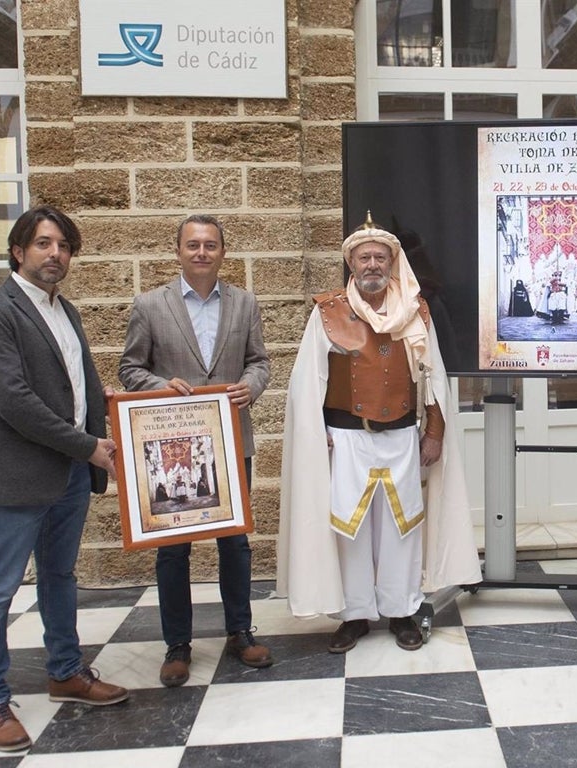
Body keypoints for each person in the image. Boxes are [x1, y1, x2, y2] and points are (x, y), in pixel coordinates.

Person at [276, 213, 481, 652]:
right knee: (350, 530)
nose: (372, 264)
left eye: (380, 257)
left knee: (401, 526)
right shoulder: (328, 312)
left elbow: (435, 377)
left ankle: (402, 610)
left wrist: (436, 432)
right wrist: (316, 434)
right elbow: (306, 382)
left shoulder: (415, 310)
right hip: (347, 437)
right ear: (351, 264)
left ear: (392, 262)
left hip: (403, 436)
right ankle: (355, 615)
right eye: (364, 257)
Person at [0, 205, 129, 752]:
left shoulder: (67, 311)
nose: (54, 253)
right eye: (42, 243)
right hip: (18, 480)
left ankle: (66, 672)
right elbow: (15, 401)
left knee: (60, 578)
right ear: (18, 250)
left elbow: (80, 384)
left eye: (62, 245)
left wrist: (114, 422)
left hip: (69, 477)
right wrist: (90, 446)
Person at [119, 214, 273, 687]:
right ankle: (178, 645)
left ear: (223, 252)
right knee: (173, 550)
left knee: (235, 543)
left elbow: (259, 361)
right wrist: (162, 385)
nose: (202, 253)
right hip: (171, 446)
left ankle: (240, 631)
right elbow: (129, 368)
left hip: (229, 441)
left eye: (210, 245)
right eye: (193, 245)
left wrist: (251, 386)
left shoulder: (244, 303)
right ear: (179, 252)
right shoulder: (149, 305)